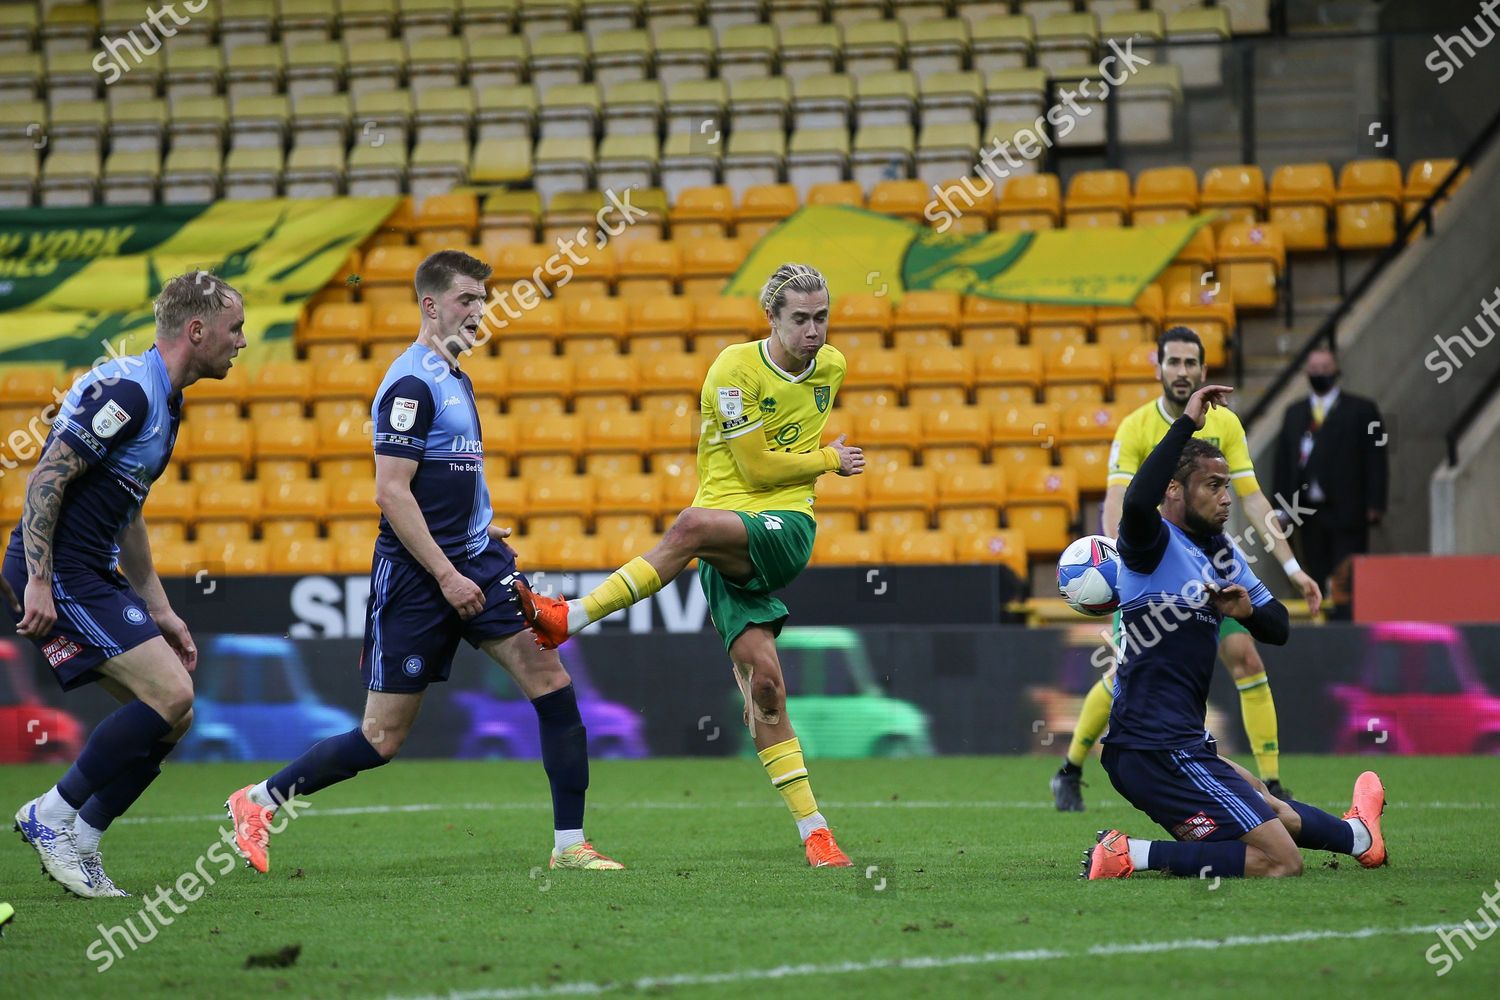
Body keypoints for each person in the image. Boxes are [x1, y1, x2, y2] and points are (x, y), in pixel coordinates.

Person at [224, 251, 622, 874]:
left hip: (477, 565)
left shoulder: (455, 377)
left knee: (553, 685)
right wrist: (445, 572)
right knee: (382, 739)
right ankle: (259, 800)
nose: (479, 310)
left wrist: (479, 530)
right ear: (431, 305)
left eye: (484, 299)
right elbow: (391, 492)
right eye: (467, 299)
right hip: (419, 578)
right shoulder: (411, 383)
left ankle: (570, 845)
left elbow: (454, 476)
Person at [515, 262, 863, 868]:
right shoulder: (733, 370)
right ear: (771, 319)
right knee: (767, 690)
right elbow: (752, 466)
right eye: (801, 318)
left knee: (691, 525)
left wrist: (820, 464)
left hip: (784, 528)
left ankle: (571, 617)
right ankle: (816, 831)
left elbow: (770, 479)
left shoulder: (830, 368)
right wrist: (829, 459)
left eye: (822, 317)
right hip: (728, 537)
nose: (814, 331)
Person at [5, 271, 247, 898]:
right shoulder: (130, 391)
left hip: (91, 573)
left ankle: (82, 839)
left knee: (173, 716)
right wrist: (36, 580)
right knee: (170, 694)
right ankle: (51, 815)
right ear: (197, 330)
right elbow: (48, 477)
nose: (241, 342)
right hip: (58, 572)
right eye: (234, 329)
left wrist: (159, 607)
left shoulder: (166, 399)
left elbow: (128, 510)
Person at [1082, 382, 1387, 880]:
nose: (1227, 498)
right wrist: (1186, 423)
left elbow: (1280, 627)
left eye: (1227, 485)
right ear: (1174, 491)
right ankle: (1131, 854)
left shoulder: (1223, 554)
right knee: (1280, 862)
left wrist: (1246, 612)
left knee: (1272, 807)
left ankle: (1360, 839)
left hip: (1177, 745)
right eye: (1213, 485)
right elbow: (1136, 501)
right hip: (1157, 750)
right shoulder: (1150, 543)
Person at [1051, 326, 1320, 812]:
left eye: (1190, 363)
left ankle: (1273, 784)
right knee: (1124, 675)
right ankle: (1069, 769)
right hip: (1151, 569)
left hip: (1213, 568)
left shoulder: (1227, 425)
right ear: (1158, 369)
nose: (1182, 372)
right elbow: (1121, 502)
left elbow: (1254, 499)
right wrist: (1130, 564)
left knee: (1248, 659)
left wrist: (1293, 565)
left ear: (1202, 369)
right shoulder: (1136, 428)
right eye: (1172, 363)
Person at [1272, 347, 1387, 617]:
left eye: (1325, 368)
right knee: (1316, 571)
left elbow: (1376, 456)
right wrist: (1279, 507)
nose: (1320, 374)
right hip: (1307, 511)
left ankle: (1346, 628)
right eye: (1314, 369)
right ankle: (1324, 623)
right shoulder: (1294, 413)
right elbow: (1282, 461)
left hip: (1349, 509)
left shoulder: (1363, 410)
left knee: (1347, 578)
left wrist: (1375, 502)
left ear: (1336, 371)